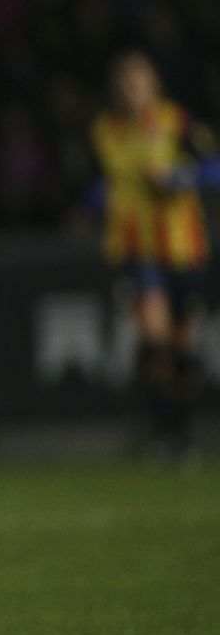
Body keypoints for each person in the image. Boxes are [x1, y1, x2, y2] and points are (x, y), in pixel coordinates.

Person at [90, 50, 214, 460]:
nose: (132, 90)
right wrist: (90, 206)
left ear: (153, 85)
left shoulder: (175, 122)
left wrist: (180, 177)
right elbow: (103, 183)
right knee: (155, 339)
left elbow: (214, 167)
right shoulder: (106, 131)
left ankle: (183, 431)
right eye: (125, 83)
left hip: (184, 249)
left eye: (139, 82)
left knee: (182, 347)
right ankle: (163, 432)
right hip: (138, 252)